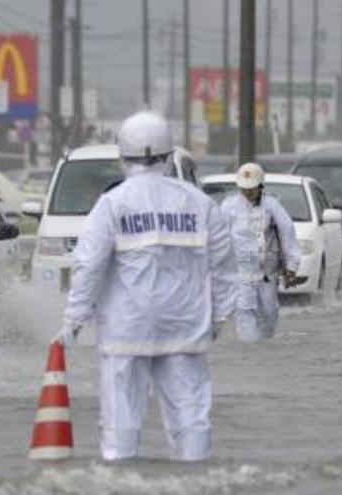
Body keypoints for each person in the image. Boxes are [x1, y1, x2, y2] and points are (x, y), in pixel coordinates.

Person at [53, 110, 236, 461]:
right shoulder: (199, 203)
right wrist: (220, 318)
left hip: (125, 332)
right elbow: (225, 267)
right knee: (191, 421)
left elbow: (88, 266)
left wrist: (73, 322)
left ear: (123, 156)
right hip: (185, 328)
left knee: (120, 425)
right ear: (169, 155)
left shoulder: (112, 204)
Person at [221, 162, 301, 342]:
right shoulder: (229, 207)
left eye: (252, 188)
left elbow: (287, 234)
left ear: (260, 185)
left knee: (269, 312)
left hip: (267, 272)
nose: (248, 192)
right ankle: (249, 349)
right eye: (244, 188)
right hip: (241, 273)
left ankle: (264, 347)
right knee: (244, 309)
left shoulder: (272, 206)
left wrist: (291, 266)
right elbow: (219, 237)